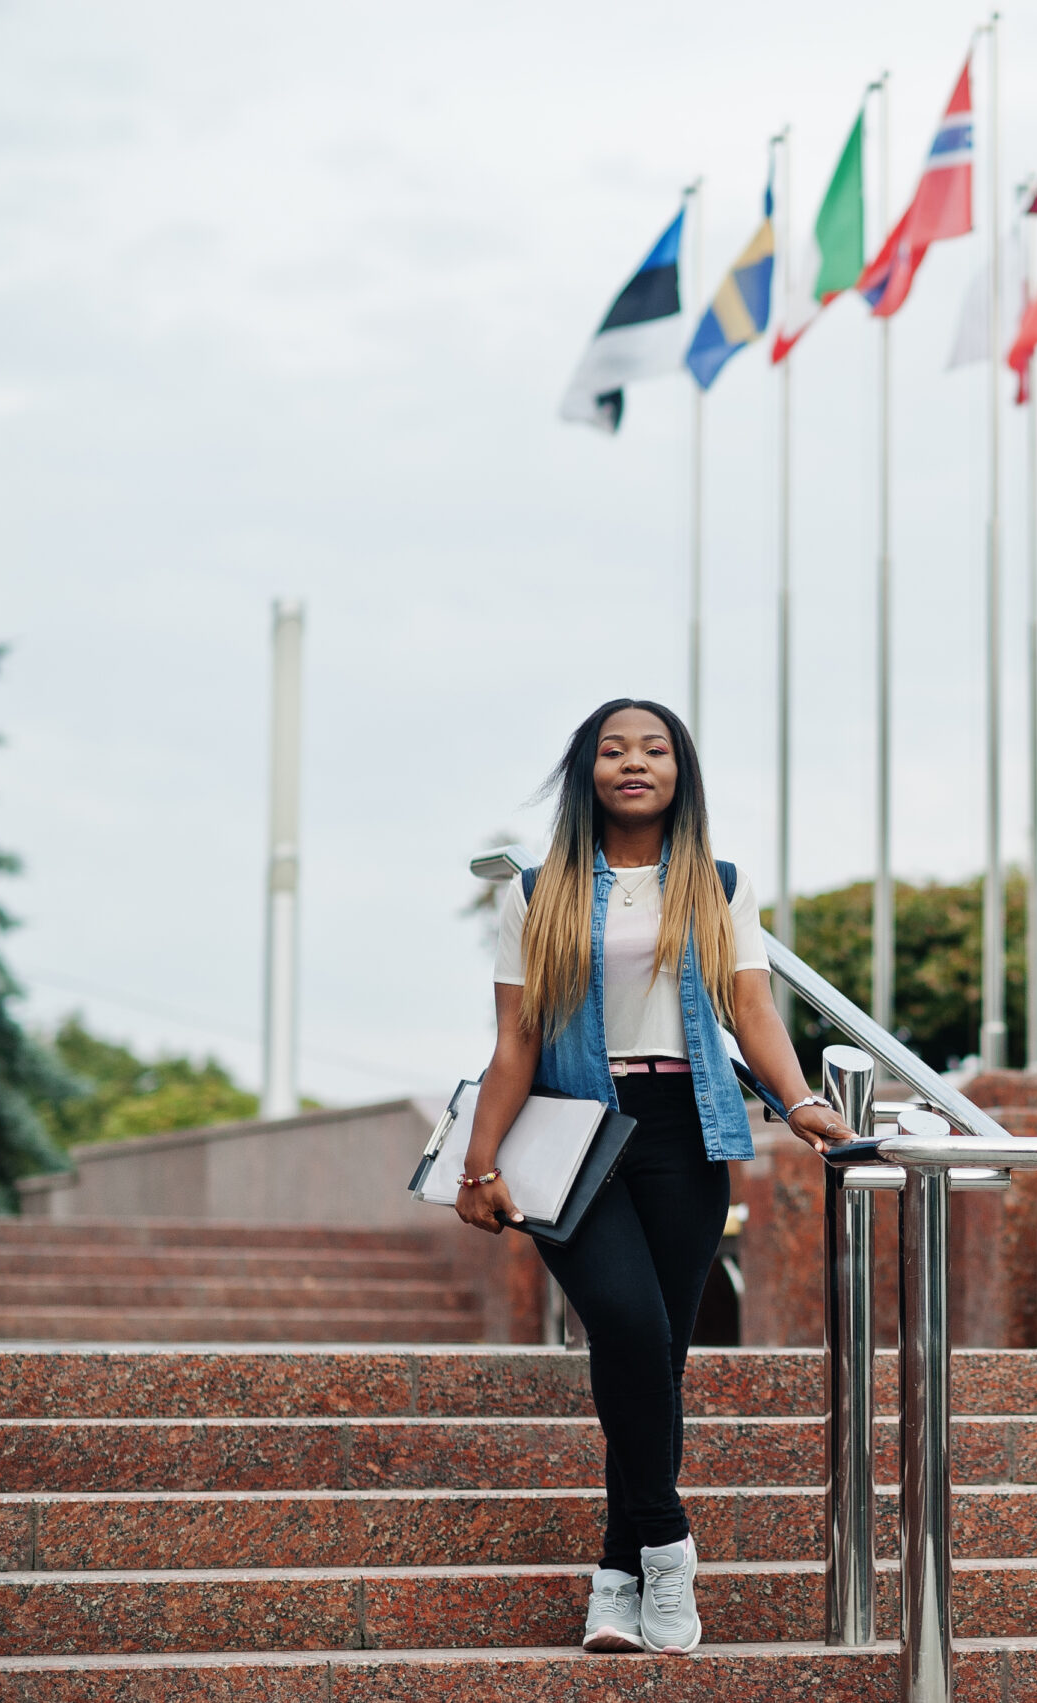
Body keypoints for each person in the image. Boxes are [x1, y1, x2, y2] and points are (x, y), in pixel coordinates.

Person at [455, 697, 851, 1656]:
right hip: (577, 1132)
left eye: (655, 748)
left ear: (681, 770)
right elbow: (514, 1041)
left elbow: (750, 1010)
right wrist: (478, 1160)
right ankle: (668, 1545)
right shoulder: (537, 889)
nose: (635, 763)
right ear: (587, 769)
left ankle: (614, 1580)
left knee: (654, 1362)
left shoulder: (716, 883)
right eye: (613, 749)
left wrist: (799, 1102)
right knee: (626, 1327)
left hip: (683, 1129)